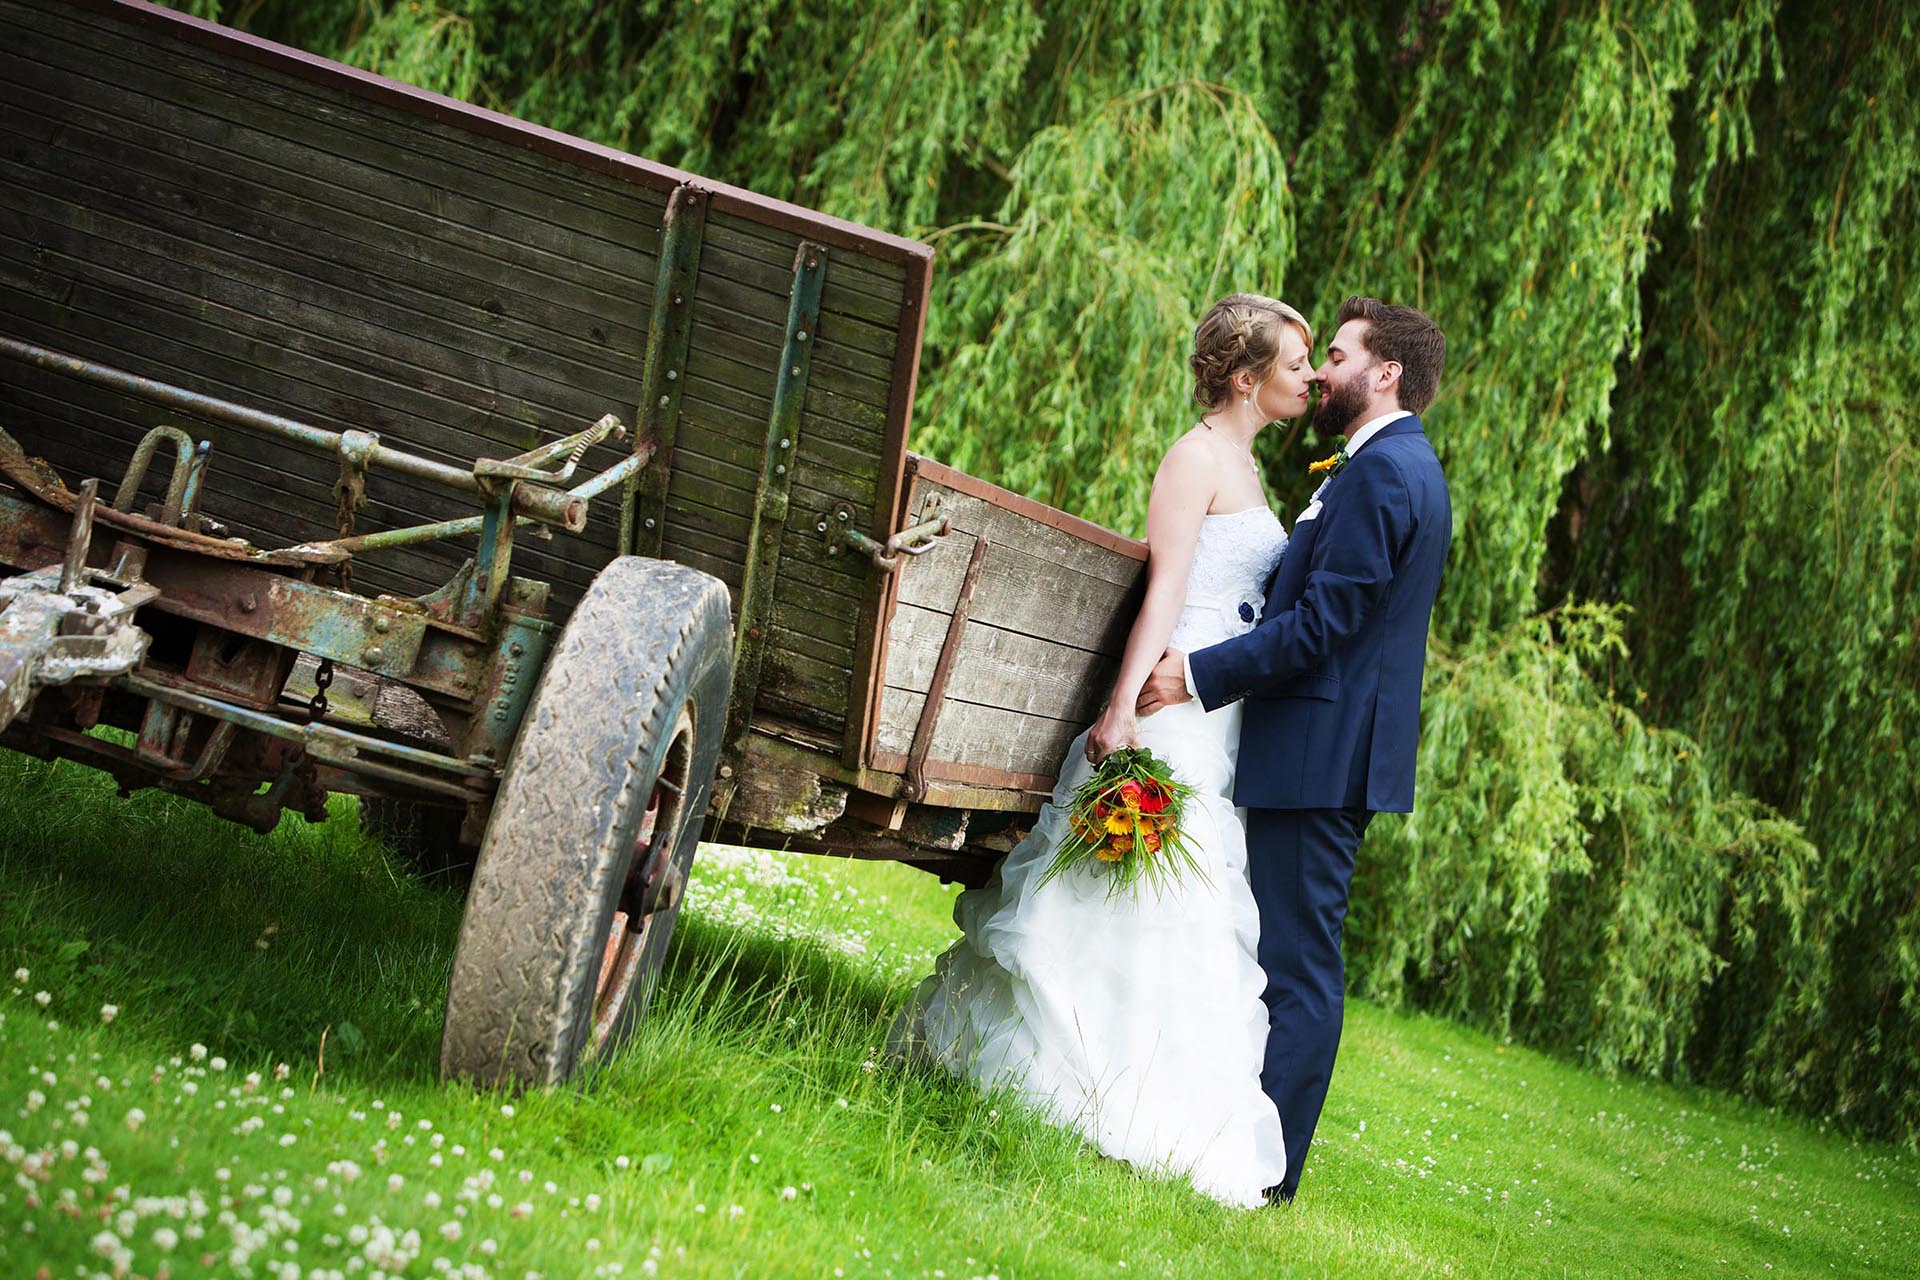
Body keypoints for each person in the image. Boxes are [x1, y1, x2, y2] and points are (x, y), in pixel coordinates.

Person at [889, 293, 1314, 1207]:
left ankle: (1153, 1090)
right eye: (1294, 364)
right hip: (1169, 701)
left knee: (1187, 898)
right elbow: (1165, 591)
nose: (1309, 378)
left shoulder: (1242, 462)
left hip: (1213, 711)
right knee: (1124, 888)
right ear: (1246, 378)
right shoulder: (1195, 457)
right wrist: (1123, 707)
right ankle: (1068, 1075)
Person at [1136, 296, 1451, 1203]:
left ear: (1384, 373)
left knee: (1298, 968)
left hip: (1323, 755)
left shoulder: (1386, 475)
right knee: (1281, 955)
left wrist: (1195, 675)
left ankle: (1266, 1175)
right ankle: (1249, 1149)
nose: (1323, 372)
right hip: (1315, 749)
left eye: (1341, 355)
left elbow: (1322, 625)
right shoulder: (1377, 466)